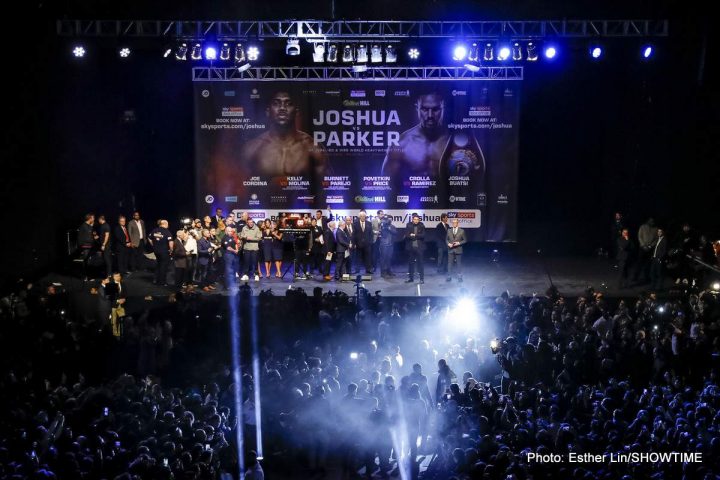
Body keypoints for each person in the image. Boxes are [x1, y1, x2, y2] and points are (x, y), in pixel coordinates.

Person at [240, 90, 328, 185]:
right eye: (276, 103)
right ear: (268, 112)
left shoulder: (312, 148)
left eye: (288, 104)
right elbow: (242, 189)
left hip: (302, 199)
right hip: (263, 199)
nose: (282, 108)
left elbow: (323, 188)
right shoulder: (253, 148)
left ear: (296, 112)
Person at [148, 219, 174, 286]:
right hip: (164, 252)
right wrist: (171, 250)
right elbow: (170, 242)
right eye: (167, 224)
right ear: (165, 224)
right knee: (163, 266)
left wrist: (153, 245)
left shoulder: (154, 230)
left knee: (158, 265)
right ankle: (162, 282)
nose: (168, 226)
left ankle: (155, 280)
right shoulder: (167, 232)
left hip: (156, 251)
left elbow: (149, 238)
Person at [635, 218, 658, 284]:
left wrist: (650, 246)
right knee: (639, 263)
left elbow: (656, 239)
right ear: (648, 221)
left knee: (648, 264)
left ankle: (646, 278)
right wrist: (643, 245)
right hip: (642, 248)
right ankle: (636, 277)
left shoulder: (655, 229)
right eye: (650, 221)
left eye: (653, 221)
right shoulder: (642, 227)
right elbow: (639, 236)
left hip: (650, 249)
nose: (652, 222)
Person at [405, 213, 426, 284]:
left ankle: (422, 279)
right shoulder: (409, 225)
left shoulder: (421, 225)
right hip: (411, 247)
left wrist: (414, 235)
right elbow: (407, 235)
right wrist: (415, 236)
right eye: (415, 219)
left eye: (417, 219)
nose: (416, 221)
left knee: (421, 263)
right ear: (412, 219)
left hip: (419, 248)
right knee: (411, 263)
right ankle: (411, 278)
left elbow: (423, 235)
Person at [353, 210, 374, 274]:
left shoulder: (369, 223)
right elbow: (353, 234)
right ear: (359, 217)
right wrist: (354, 243)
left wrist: (370, 242)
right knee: (358, 258)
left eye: (364, 216)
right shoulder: (355, 224)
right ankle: (357, 270)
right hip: (358, 244)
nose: (363, 217)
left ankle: (368, 269)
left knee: (368, 257)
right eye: (361, 216)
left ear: (365, 216)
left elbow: (371, 234)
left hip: (367, 244)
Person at [446, 217, 466, 282]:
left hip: (458, 249)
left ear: (457, 223)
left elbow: (465, 240)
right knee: (449, 264)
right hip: (450, 249)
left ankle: (459, 277)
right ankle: (449, 276)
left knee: (459, 264)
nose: (454, 224)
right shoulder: (449, 230)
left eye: (455, 222)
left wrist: (459, 243)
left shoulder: (462, 231)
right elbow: (446, 239)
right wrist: (448, 243)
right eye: (453, 222)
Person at [221, 226, 240, 291]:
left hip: (233, 255)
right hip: (228, 255)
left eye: (231, 231)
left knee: (234, 270)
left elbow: (235, 244)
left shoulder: (231, 237)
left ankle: (233, 283)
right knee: (228, 271)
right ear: (226, 231)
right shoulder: (224, 238)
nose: (231, 232)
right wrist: (235, 251)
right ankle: (227, 285)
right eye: (229, 231)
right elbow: (228, 247)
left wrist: (237, 249)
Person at [77, 213, 95, 281]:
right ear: (89, 218)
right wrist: (81, 247)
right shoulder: (83, 226)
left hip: (90, 246)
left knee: (90, 262)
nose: (93, 220)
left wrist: (91, 226)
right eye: (93, 218)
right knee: (86, 262)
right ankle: (85, 277)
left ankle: (89, 276)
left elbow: (90, 234)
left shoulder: (88, 226)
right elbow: (80, 237)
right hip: (85, 246)